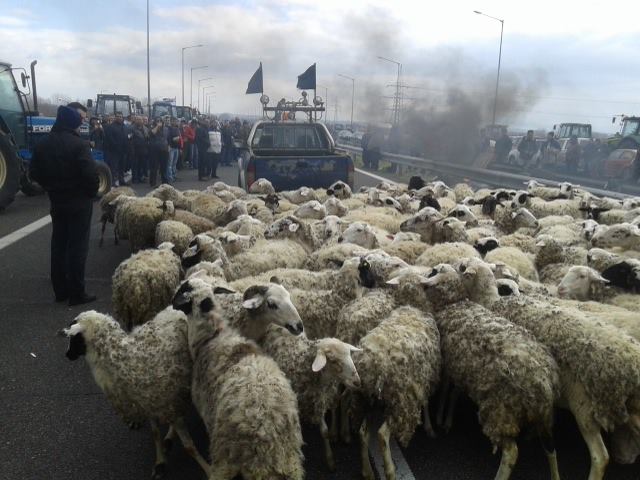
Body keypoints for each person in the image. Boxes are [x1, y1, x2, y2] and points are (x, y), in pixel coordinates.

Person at [29, 103, 99, 306]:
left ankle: (60, 291)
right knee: (77, 247)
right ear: (72, 124)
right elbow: (91, 175)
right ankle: (77, 293)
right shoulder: (79, 145)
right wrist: (90, 193)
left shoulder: (43, 144)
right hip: (79, 202)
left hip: (57, 200)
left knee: (59, 245)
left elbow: (34, 173)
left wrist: (50, 186)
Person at [103, 112, 127, 186]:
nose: (119, 118)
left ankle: (121, 180)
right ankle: (112, 182)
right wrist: (116, 146)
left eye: (121, 116)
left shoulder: (124, 126)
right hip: (114, 151)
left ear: (122, 118)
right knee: (114, 167)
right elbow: (110, 139)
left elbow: (127, 137)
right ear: (115, 117)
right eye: (118, 116)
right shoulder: (110, 127)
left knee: (122, 167)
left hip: (123, 150)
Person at [148, 118, 169, 186]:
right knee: (154, 167)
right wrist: (157, 126)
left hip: (164, 150)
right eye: (157, 121)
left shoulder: (166, 129)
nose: (159, 123)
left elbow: (167, 138)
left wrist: (168, 146)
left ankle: (165, 182)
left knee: (164, 167)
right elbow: (152, 133)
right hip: (155, 151)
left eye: (160, 121)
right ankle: (153, 182)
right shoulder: (152, 128)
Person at [131, 116, 149, 184]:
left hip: (143, 150)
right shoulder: (132, 128)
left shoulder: (145, 128)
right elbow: (130, 140)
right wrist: (132, 150)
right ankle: (135, 179)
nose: (139, 121)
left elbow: (147, 138)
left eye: (140, 119)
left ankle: (140, 177)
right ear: (135, 120)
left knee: (141, 165)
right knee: (135, 165)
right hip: (135, 150)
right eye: (138, 119)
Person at [166, 117, 181, 182]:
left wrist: (180, 147)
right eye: (175, 121)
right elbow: (168, 138)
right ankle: (170, 177)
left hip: (176, 148)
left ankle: (174, 175)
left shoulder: (177, 129)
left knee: (174, 163)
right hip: (171, 147)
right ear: (172, 122)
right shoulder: (168, 129)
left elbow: (179, 138)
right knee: (170, 164)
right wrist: (175, 139)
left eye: (177, 121)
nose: (176, 122)